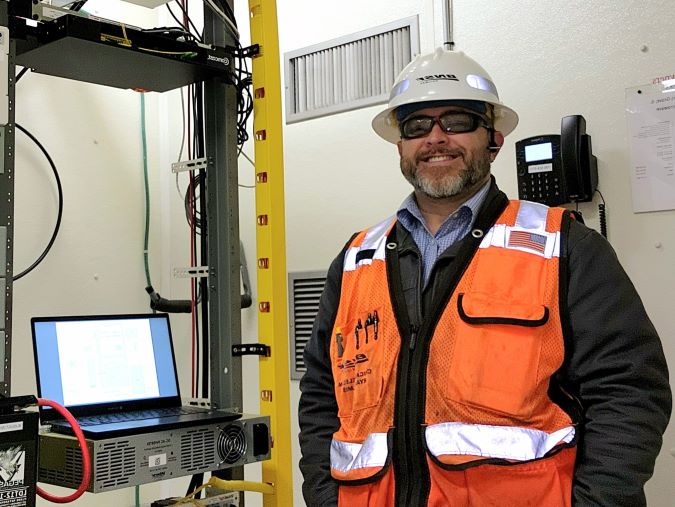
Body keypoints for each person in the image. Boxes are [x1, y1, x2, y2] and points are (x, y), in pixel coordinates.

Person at [298, 47, 671, 507]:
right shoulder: (357, 258)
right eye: (416, 125)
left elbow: (630, 392)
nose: (436, 138)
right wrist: (324, 496)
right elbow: (321, 395)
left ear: (492, 138)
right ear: (400, 145)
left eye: (456, 121)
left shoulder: (566, 247)